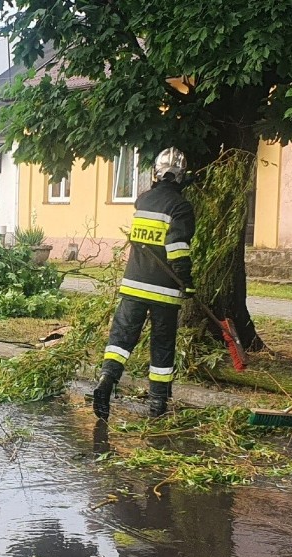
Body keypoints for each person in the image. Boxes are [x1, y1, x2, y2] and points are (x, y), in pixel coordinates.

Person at [93, 147, 196, 420]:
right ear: (181, 176)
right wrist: (187, 281)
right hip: (164, 290)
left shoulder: (143, 201)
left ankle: (107, 380)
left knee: (121, 338)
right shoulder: (181, 207)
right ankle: (157, 404)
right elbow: (177, 247)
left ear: (156, 173)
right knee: (162, 345)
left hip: (133, 284)